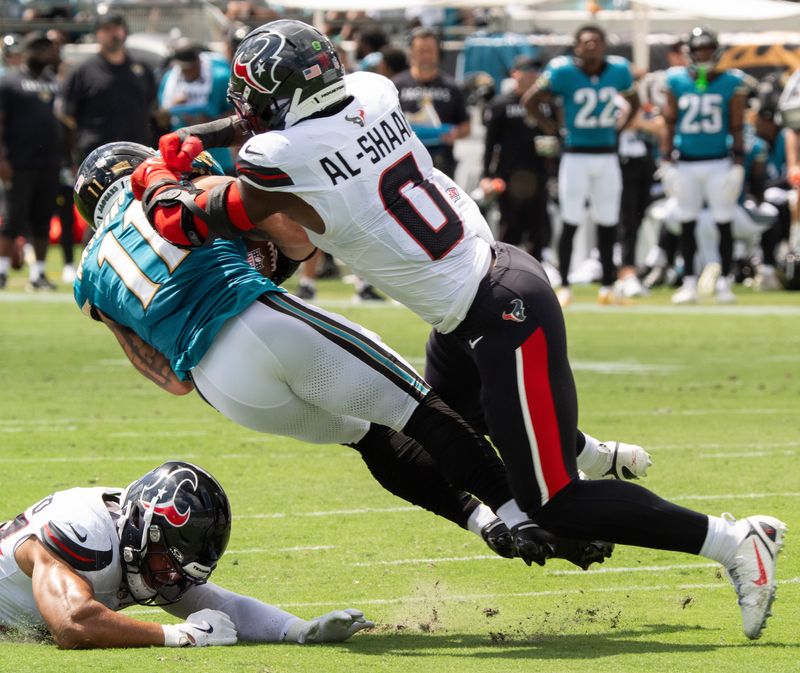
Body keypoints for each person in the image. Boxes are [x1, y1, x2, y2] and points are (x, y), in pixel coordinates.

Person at [141, 19, 786, 640]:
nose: (246, 107)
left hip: (500, 311)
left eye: (252, 93)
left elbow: (188, 222)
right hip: (479, 290)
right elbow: (279, 123)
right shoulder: (372, 90)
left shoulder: (284, 156)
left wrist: (158, 172)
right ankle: (577, 444)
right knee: (453, 422)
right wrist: (201, 135)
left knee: (553, 502)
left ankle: (732, 541)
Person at [73, 141, 619, 573]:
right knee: (420, 410)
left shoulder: (91, 275)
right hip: (258, 319)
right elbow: (294, 241)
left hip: (222, 386)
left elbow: (167, 379)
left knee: (371, 435)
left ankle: (481, 521)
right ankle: (520, 512)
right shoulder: (180, 184)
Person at [0, 459, 372, 648]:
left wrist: (298, 630)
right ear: (141, 531)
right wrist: (177, 635)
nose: (173, 579)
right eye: (167, 563)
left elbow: (215, 603)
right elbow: (73, 624)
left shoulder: (144, 540)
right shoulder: (82, 530)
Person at [523, 25, 639, 306]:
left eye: (597, 41)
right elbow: (531, 101)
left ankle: (608, 286)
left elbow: (635, 102)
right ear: (576, 46)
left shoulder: (619, 70)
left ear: (604, 45)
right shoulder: (562, 71)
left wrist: (620, 130)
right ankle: (564, 284)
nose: (592, 46)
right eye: (586, 42)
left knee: (609, 220)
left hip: (607, 154)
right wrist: (553, 129)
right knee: (571, 219)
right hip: (575, 155)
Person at [661, 27, 752, 304]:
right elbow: (668, 121)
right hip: (685, 162)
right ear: (689, 52)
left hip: (718, 161)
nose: (703, 55)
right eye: (699, 50)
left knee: (724, 222)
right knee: (686, 222)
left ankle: (724, 282)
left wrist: (738, 162)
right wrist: (666, 160)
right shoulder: (675, 79)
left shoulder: (731, 81)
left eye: (708, 50)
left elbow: (737, 124)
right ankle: (688, 281)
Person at [0, 31, 62, 290]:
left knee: (42, 219)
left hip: (48, 162)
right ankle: (2, 271)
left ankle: (38, 274)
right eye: (37, 48)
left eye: (46, 48)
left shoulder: (54, 82)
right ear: (26, 52)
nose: (43, 53)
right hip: (19, 161)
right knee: (13, 218)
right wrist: (1, 159)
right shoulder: (10, 82)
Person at [57, 12, 157, 166]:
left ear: (124, 31)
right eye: (107, 29)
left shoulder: (142, 68)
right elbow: (66, 113)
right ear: (97, 34)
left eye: (117, 28)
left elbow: (153, 105)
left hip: (139, 152)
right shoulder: (83, 70)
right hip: (99, 157)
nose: (113, 33)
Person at [481, 55, 553, 260]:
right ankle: (505, 268)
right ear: (515, 74)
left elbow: (554, 136)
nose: (532, 76)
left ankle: (538, 271)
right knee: (510, 227)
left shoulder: (547, 102)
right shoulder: (501, 104)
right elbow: (490, 143)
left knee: (538, 227)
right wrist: (486, 175)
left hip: (539, 174)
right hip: (509, 175)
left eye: (536, 72)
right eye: (528, 71)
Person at [393, 27, 469, 180]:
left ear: (438, 53)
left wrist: (455, 133)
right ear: (411, 53)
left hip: (442, 165)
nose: (426, 56)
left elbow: (466, 126)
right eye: (421, 51)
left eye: (430, 51)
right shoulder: (395, 86)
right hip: (406, 166)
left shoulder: (451, 87)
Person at [158, 38, 235, 175]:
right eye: (184, 68)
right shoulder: (169, 80)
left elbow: (237, 113)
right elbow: (161, 121)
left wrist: (209, 122)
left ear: (199, 60)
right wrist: (171, 107)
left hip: (219, 158)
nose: (189, 72)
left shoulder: (219, 78)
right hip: (184, 160)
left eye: (192, 67)